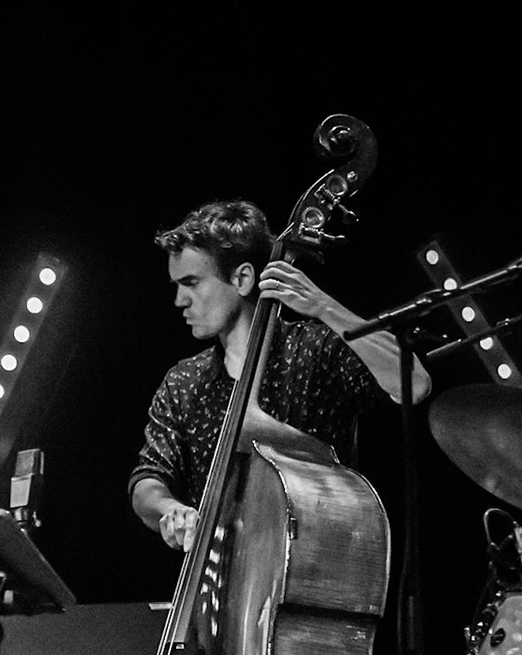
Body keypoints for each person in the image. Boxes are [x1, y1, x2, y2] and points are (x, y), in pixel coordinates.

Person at [129, 198, 431, 550]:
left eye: (191, 282)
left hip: (316, 564)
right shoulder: (184, 382)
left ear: (242, 278)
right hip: (214, 587)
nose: (179, 300)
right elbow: (148, 477)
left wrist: (323, 306)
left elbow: (415, 383)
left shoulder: (315, 349)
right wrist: (171, 509)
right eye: (177, 285)